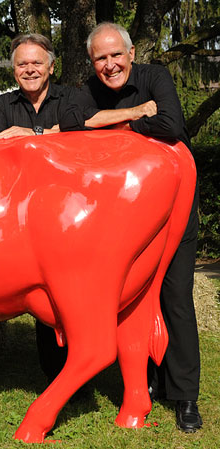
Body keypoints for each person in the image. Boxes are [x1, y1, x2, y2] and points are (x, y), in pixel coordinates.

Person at [60, 22, 202, 432]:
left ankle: (185, 396)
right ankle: (147, 381)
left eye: (116, 55)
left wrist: (106, 125)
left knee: (174, 296)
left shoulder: (155, 76)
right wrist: (136, 114)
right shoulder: (86, 88)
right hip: (123, 214)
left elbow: (172, 126)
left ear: (132, 52)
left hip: (173, 206)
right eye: (101, 58)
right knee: (134, 298)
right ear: (92, 61)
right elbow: (70, 124)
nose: (109, 65)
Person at [0, 34, 73, 384]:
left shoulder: (71, 98)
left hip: (66, 209)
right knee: (42, 290)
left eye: (36, 62)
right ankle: (54, 372)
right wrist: (46, 134)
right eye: (22, 64)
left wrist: (29, 134)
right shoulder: (4, 103)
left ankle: (80, 365)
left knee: (70, 287)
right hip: (22, 213)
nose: (29, 69)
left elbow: (79, 135)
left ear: (52, 66)